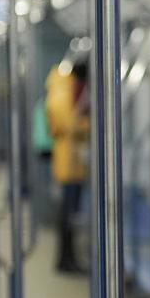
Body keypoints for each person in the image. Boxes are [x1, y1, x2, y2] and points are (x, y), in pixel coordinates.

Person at [45, 61, 89, 273]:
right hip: (68, 162)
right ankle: (65, 260)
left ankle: (69, 258)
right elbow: (69, 125)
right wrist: (89, 126)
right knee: (68, 214)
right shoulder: (64, 93)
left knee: (70, 213)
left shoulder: (63, 89)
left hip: (71, 161)